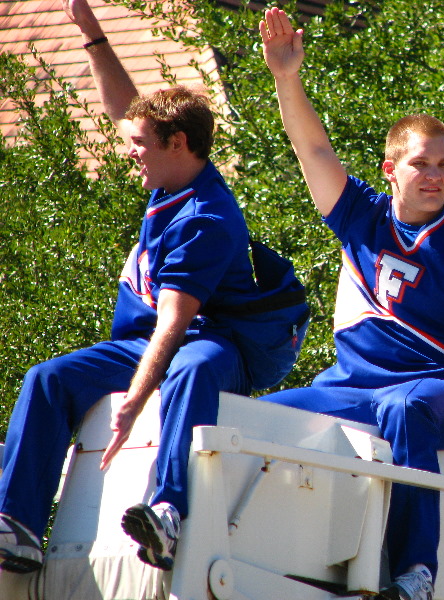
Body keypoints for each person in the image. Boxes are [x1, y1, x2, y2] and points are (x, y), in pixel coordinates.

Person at [0, 0, 308, 574]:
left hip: (212, 342)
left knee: (192, 367)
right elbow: (127, 110)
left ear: (179, 144)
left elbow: (174, 324)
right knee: (45, 379)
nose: (130, 149)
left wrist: (133, 403)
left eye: (142, 143)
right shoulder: (169, 173)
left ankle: (170, 512)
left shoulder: (206, 217)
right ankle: (16, 527)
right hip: (148, 340)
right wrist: (92, 36)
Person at [258, 9, 444, 600]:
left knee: (405, 409)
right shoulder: (362, 217)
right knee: (259, 413)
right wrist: (285, 77)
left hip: (439, 395)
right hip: (352, 386)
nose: (435, 176)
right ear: (390, 170)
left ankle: (415, 573)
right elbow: (312, 148)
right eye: (421, 164)